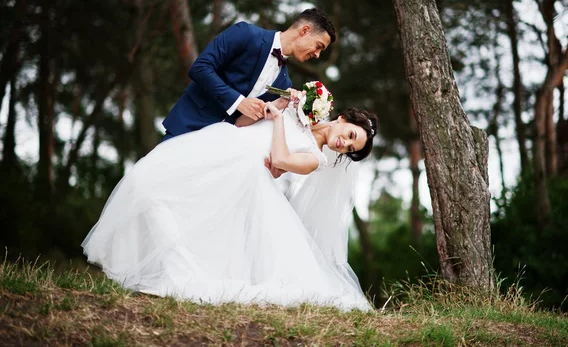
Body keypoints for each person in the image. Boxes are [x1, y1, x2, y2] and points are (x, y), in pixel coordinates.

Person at [82, 95, 378, 311]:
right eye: (351, 135)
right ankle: (135, 257)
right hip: (220, 144)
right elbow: (242, 121)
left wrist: (277, 121)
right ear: (342, 119)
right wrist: (277, 106)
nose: (344, 143)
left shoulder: (315, 158)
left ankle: (173, 272)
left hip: (242, 174)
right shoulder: (304, 109)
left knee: (197, 221)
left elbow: (281, 159)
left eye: (351, 148)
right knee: (149, 182)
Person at [162, 8, 336, 140]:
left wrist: (281, 104)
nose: (317, 54)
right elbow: (200, 68)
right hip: (188, 127)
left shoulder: (284, 84)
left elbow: (246, 122)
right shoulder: (245, 33)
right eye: (319, 46)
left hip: (221, 148)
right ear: (304, 30)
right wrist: (239, 102)